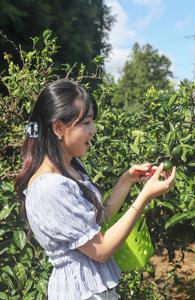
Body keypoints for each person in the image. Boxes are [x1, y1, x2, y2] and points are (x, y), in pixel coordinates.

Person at [14, 79, 176, 300]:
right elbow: (100, 250)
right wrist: (145, 196)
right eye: (86, 122)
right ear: (59, 128)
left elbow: (101, 218)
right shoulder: (49, 188)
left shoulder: (72, 169)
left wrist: (126, 180)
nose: (94, 129)